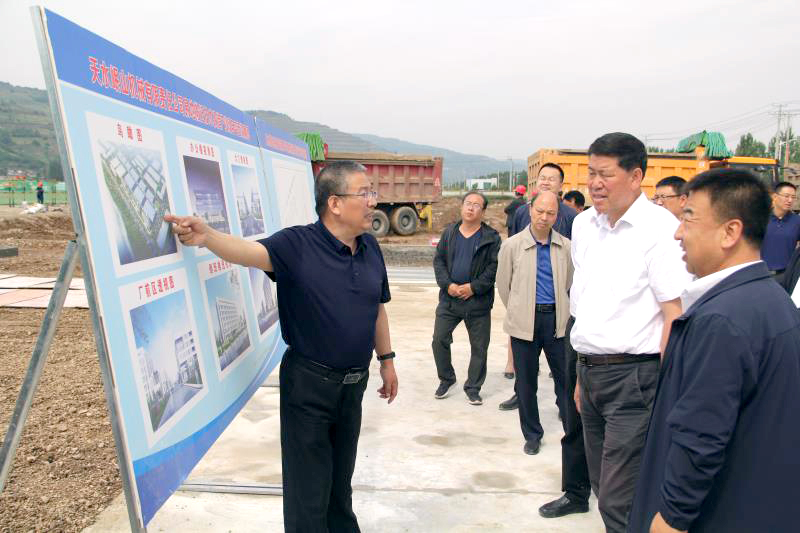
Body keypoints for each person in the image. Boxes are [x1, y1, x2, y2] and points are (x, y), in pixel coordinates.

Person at [164, 161, 398, 533]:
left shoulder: (369, 247)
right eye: (365, 193)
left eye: (372, 192)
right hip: (309, 388)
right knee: (308, 491)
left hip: (353, 386)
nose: (373, 201)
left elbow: (377, 307)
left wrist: (386, 360)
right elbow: (246, 251)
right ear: (335, 203)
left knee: (340, 484)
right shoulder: (298, 245)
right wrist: (207, 235)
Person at [628, 169, 800, 533]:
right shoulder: (770, 300)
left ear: (730, 232)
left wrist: (671, 518)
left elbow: (701, 436)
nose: (678, 233)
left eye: (688, 218)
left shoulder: (722, 319)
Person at [571, 132, 691, 533]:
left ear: (636, 176)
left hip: (635, 380)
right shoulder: (584, 225)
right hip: (590, 373)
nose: (594, 183)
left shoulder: (659, 229)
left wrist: (669, 388)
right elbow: (583, 307)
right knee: (601, 486)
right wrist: (580, 377)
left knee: (620, 498)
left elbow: (674, 314)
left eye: (605, 174)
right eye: (591, 173)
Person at [496, 191, 572, 456]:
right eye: (540, 211)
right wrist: (519, 310)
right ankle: (532, 434)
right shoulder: (512, 246)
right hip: (524, 323)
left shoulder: (565, 247)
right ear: (530, 209)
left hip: (556, 322)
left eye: (551, 213)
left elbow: (569, 283)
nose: (544, 217)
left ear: (557, 216)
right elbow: (504, 286)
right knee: (526, 383)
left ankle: (572, 431)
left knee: (565, 380)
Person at [432, 191, 501, 405]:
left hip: (477, 302)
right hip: (450, 299)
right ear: (462, 206)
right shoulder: (449, 233)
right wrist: (448, 285)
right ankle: (447, 379)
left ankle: (473, 387)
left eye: (476, 205)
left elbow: (494, 268)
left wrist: (473, 288)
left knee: (479, 348)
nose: (471, 208)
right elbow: (439, 261)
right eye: (468, 203)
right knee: (439, 339)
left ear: (483, 211)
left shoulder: (491, 238)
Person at [510, 163, 577, 238]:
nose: (545, 183)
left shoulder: (571, 216)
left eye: (551, 179)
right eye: (542, 178)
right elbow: (514, 241)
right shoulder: (521, 212)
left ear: (561, 185)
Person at [760, 181, 800, 278]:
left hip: (787, 275)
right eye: (786, 196)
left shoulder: (797, 221)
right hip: (761, 274)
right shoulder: (760, 218)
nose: (790, 200)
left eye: (793, 197)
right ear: (774, 197)